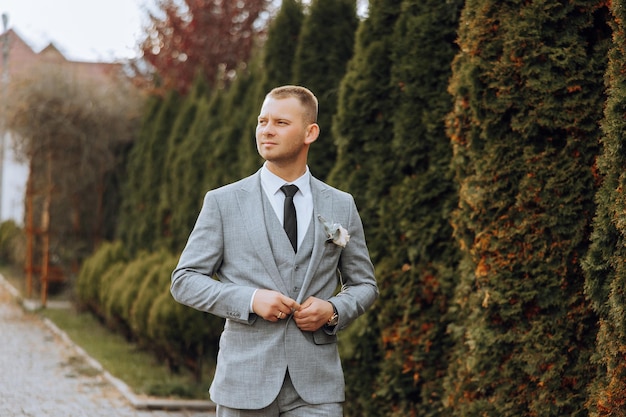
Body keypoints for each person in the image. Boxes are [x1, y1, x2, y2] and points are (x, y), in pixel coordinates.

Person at [171, 85, 378, 417]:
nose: (266, 130)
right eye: (262, 121)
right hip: (244, 383)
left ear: (310, 132)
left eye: (281, 122)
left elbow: (365, 284)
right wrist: (250, 300)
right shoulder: (224, 202)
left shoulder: (340, 204)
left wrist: (333, 309)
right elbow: (184, 280)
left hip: (316, 389)